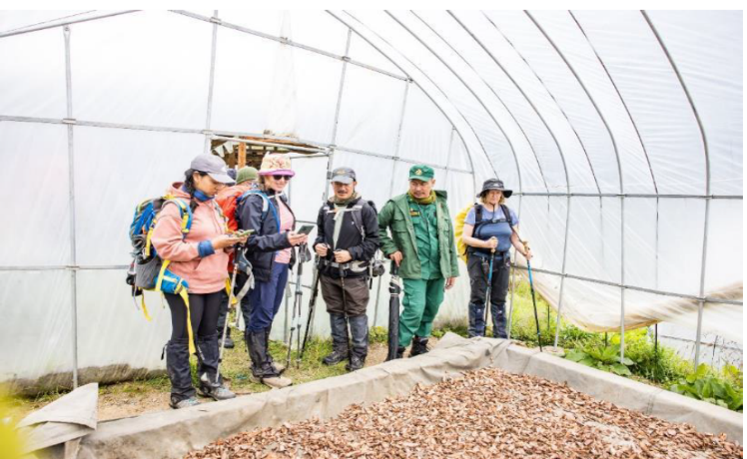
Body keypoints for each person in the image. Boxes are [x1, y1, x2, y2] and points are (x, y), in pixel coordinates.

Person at [151, 154, 245, 409]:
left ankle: (209, 381)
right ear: (196, 177)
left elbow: (214, 240)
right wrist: (210, 245)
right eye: (214, 181)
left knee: (208, 334)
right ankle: (180, 393)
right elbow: (166, 248)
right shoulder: (176, 208)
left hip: (213, 282)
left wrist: (229, 243)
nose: (219, 186)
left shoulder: (213, 206)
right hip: (185, 286)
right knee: (182, 337)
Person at [237, 154, 307, 388]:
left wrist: (293, 240)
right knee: (261, 314)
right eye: (277, 176)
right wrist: (284, 239)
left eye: (286, 177)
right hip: (262, 266)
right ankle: (261, 369)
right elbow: (250, 240)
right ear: (264, 175)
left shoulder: (278, 198)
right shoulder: (254, 201)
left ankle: (263, 360)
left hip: (280, 263)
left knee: (269, 313)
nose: (282, 181)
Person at [378, 165, 459, 358]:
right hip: (413, 267)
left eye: (423, 184)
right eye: (414, 183)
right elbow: (376, 228)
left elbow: (448, 238)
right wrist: (391, 249)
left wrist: (452, 269)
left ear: (433, 183)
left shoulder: (440, 204)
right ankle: (397, 349)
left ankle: (420, 345)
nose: (418, 188)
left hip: (438, 268)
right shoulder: (396, 205)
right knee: (415, 308)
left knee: (432, 306)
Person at [313, 167, 380, 371]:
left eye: (346, 184)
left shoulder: (364, 209)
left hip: (354, 274)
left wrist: (352, 253)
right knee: (335, 311)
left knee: (356, 312)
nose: (342, 188)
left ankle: (359, 353)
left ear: (354, 184)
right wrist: (317, 246)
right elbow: (320, 235)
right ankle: (340, 350)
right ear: (332, 184)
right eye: (338, 184)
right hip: (329, 271)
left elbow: (374, 241)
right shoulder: (325, 208)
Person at [461, 178, 532, 338]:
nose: (495, 195)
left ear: (502, 195)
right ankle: (476, 335)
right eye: (492, 192)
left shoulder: (508, 212)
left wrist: (524, 252)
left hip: (502, 259)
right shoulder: (476, 212)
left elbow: (515, 238)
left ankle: (500, 336)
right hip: (479, 259)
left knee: (499, 297)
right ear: (485, 194)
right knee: (478, 296)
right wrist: (485, 244)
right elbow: (465, 237)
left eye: (498, 192)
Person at [214, 166, 259, 349]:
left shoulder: (224, 195)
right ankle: (252, 336)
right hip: (243, 257)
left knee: (223, 299)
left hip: (226, 256)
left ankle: (222, 334)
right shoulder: (246, 195)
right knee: (247, 298)